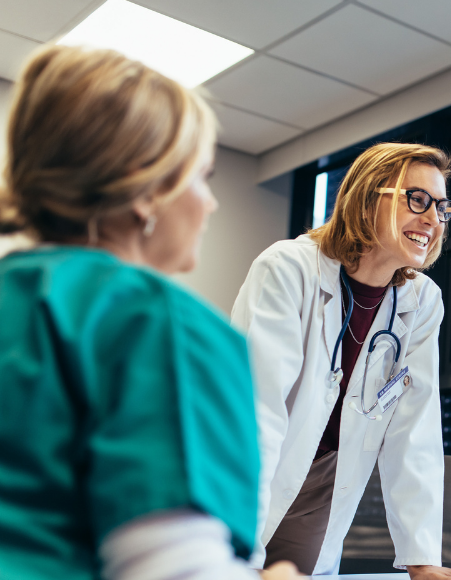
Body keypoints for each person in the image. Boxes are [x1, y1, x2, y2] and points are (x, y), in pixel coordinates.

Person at [0, 45, 297, 580]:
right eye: (202, 176)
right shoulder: (152, 319)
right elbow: (171, 572)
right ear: (148, 187)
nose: (211, 203)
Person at [232, 142, 451, 579]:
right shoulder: (289, 269)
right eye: (417, 199)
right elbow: (255, 415)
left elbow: (414, 432)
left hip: (324, 484)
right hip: (252, 474)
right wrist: (235, 546)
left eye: (442, 208)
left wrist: (422, 561)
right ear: (366, 197)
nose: (433, 219)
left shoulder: (420, 302)